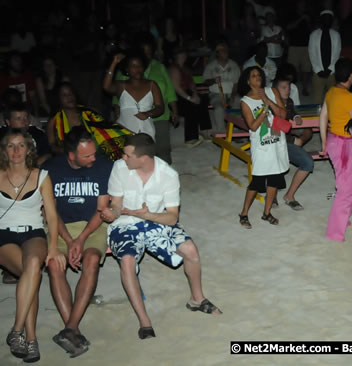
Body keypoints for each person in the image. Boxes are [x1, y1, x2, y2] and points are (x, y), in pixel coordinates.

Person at [101, 133, 221, 339]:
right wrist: (113, 212)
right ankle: (144, 322)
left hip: (156, 221)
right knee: (128, 261)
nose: (123, 158)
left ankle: (197, 299)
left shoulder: (168, 175)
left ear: (144, 158)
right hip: (126, 224)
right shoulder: (120, 168)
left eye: (128, 155)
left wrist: (147, 214)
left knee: (190, 250)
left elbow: (172, 218)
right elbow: (117, 204)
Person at [45, 129, 113, 357]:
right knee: (55, 264)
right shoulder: (51, 170)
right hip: (61, 227)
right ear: (71, 156)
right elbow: (51, 213)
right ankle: (72, 328)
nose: (94, 158)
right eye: (87, 156)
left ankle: (70, 328)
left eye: (94, 153)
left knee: (92, 259)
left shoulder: (103, 166)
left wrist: (81, 239)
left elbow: (102, 210)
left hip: (92, 225)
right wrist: (67, 240)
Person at [0, 129, 65, 362]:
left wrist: (55, 247)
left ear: (29, 149)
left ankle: (16, 331)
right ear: (4, 150)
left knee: (33, 266)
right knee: (32, 274)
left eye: (21, 145)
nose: (16, 151)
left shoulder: (42, 176)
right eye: (10, 145)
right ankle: (31, 339)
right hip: (3, 236)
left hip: (33, 233)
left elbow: (52, 215)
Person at [111, 37, 179, 164]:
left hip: (158, 117)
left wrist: (174, 110)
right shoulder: (125, 71)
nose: (147, 54)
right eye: (144, 51)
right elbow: (117, 94)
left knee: (161, 151)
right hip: (129, 122)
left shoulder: (159, 67)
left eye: (149, 51)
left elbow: (169, 90)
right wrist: (116, 108)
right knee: (131, 156)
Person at [237, 67, 289, 228]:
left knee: (274, 179)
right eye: (253, 76)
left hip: (276, 142)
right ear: (248, 80)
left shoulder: (272, 91)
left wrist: (267, 100)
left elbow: (282, 114)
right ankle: (244, 213)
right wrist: (264, 111)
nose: (257, 78)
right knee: (257, 182)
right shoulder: (245, 101)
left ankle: (267, 213)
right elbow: (252, 126)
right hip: (261, 146)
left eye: (259, 75)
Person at [320, 59, 352, 242]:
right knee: (345, 188)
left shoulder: (331, 92)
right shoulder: (349, 97)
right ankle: (334, 232)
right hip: (343, 146)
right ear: (351, 76)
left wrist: (323, 142)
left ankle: (343, 219)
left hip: (334, 142)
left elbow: (323, 116)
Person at [47, 82, 131, 161]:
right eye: (64, 95)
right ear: (58, 98)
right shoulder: (54, 121)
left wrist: (131, 134)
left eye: (71, 93)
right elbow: (51, 145)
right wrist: (69, 150)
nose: (69, 97)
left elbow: (110, 128)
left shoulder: (90, 112)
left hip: (100, 156)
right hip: (71, 160)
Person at [273, 74, 313, 211]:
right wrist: (294, 139)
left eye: (288, 87)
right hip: (272, 143)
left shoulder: (288, 101)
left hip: (286, 142)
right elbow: (273, 131)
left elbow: (293, 112)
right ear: (275, 90)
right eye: (283, 87)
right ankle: (271, 196)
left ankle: (289, 196)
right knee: (275, 162)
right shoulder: (270, 105)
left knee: (308, 162)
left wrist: (296, 116)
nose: (287, 90)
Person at [103, 52, 165, 139]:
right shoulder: (121, 85)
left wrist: (148, 113)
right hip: (124, 131)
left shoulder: (152, 84)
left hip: (146, 132)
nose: (137, 69)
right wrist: (114, 63)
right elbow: (106, 87)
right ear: (127, 69)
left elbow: (160, 108)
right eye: (133, 66)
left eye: (140, 66)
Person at [168, 46, 211, 147]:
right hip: (175, 96)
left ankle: (204, 131)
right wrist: (190, 98)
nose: (183, 56)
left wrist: (195, 94)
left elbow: (192, 83)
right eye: (180, 55)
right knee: (191, 106)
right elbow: (176, 87)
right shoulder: (173, 68)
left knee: (203, 100)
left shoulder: (186, 68)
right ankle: (190, 138)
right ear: (176, 56)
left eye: (184, 54)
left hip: (187, 93)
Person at [202, 44, 241, 136]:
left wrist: (232, 96)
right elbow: (205, 81)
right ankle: (222, 133)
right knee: (219, 109)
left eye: (226, 50)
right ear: (217, 53)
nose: (225, 52)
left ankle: (237, 131)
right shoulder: (211, 66)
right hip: (216, 94)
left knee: (239, 103)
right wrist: (213, 80)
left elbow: (236, 83)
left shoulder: (233, 65)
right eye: (222, 51)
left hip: (231, 93)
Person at [308, 10, 342, 103]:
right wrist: (318, 70)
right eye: (325, 19)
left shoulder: (336, 35)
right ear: (321, 20)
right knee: (317, 99)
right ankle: (318, 117)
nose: (327, 21)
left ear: (331, 21)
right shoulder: (314, 35)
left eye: (329, 19)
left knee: (334, 100)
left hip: (332, 72)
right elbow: (312, 53)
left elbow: (337, 53)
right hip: (318, 72)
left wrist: (330, 69)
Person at [285, 1, 313, 96]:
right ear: (297, 5)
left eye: (304, 5)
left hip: (306, 46)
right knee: (292, 70)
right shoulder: (292, 15)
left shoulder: (308, 15)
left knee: (306, 69)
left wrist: (308, 21)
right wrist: (301, 18)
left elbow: (311, 30)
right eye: (301, 4)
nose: (302, 6)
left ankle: (304, 88)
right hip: (294, 46)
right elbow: (288, 27)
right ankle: (289, 89)